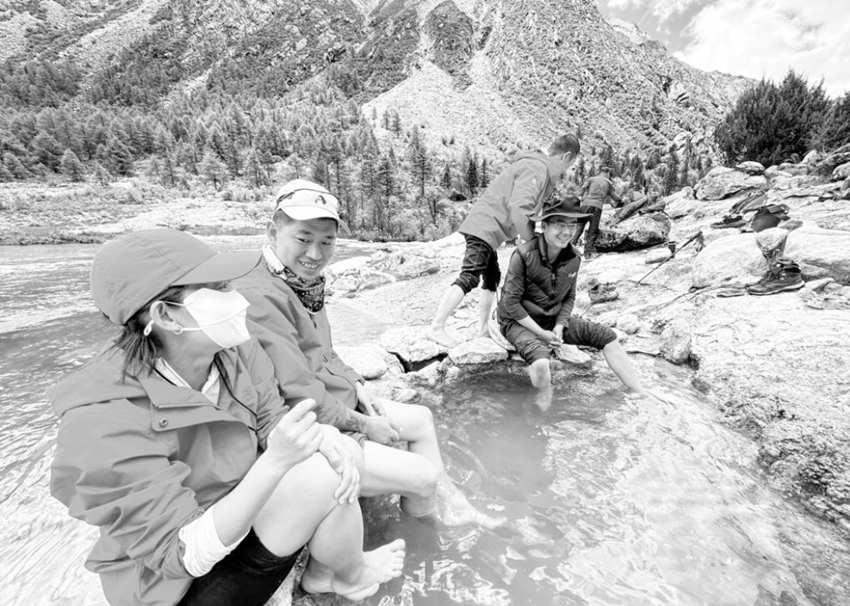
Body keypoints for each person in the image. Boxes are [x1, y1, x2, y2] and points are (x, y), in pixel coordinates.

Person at [49, 229, 405, 606]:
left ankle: (335, 575)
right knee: (320, 473)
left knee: (336, 455)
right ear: (166, 315)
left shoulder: (233, 350)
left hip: (236, 513)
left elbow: (270, 418)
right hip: (176, 584)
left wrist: (323, 436)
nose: (238, 298)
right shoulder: (100, 423)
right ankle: (351, 575)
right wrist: (276, 462)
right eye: (219, 287)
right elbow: (180, 555)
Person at [234, 179, 505, 529]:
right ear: (273, 231)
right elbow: (299, 393)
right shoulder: (260, 294)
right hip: (306, 427)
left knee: (422, 419)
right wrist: (365, 425)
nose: (315, 254)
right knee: (423, 477)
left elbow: (324, 352)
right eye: (303, 239)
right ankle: (430, 534)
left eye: (327, 242)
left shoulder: (299, 280)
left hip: (331, 405)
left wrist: (357, 383)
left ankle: (454, 505)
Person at [497, 197, 656, 409]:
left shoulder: (574, 257)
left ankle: (639, 393)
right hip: (517, 321)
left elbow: (569, 297)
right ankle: (542, 406)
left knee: (608, 337)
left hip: (552, 318)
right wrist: (542, 334)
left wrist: (559, 325)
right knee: (542, 361)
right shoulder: (523, 255)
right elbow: (511, 303)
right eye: (559, 224)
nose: (567, 231)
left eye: (572, 225)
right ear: (544, 226)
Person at [426, 133, 582, 349]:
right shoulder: (536, 167)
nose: (564, 171)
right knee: (470, 276)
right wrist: (533, 242)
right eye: (568, 166)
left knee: (492, 277)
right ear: (566, 156)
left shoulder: (534, 164)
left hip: (489, 227)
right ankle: (436, 327)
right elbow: (519, 207)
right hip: (485, 226)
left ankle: (483, 330)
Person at [572, 166, 622, 257]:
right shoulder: (608, 183)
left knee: (579, 228)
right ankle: (588, 254)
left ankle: (570, 249)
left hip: (585, 205)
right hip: (597, 207)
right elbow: (616, 198)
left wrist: (579, 197)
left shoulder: (591, 179)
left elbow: (583, 188)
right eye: (609, 174)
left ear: (600, 172)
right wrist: (621, 200)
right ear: (607, 173)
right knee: (592, 231)